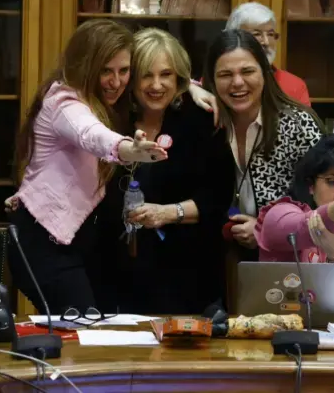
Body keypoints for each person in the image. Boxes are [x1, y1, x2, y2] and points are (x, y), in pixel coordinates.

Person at [8, 19, 169, 314]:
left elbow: (166, 85)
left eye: (124, 70)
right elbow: (90, 134)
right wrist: (128, 149)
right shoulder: (63, 101)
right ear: (86, 66)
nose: (116, 81)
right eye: (106, 70)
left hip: (81, 243)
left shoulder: (106, 99)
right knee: (82, 334)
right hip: (44, 243)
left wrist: (196, 90)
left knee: (97, 333)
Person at [98, 28, 234, 314]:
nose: (156, 85)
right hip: (115, 272)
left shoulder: (202, 120)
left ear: (179, 78)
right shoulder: (112, 120)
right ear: (131, 79)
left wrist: (167, 213)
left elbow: (218, 197)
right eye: (146, 75)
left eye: (166, 75)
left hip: (188, 273)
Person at [203, 29, 324, 261]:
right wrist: (191, 87)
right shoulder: (207, 122)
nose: (237, 82)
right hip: (217, 258)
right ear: (211, 79)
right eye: (225, 74)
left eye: (247, 71)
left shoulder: (298, 124)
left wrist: (264, 229)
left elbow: (321, 203)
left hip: (287, 260)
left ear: (266, 73)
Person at [256, 135, 334, 318]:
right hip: (280, 334)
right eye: (333, 181)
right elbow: (302, 226)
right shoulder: (281, 214)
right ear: (310, 185)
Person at [225, 2, 311, 106]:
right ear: (233, 38)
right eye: (257, 34)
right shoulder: (220, 79)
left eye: (270, 34)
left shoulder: (294, 85)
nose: (266, 42)